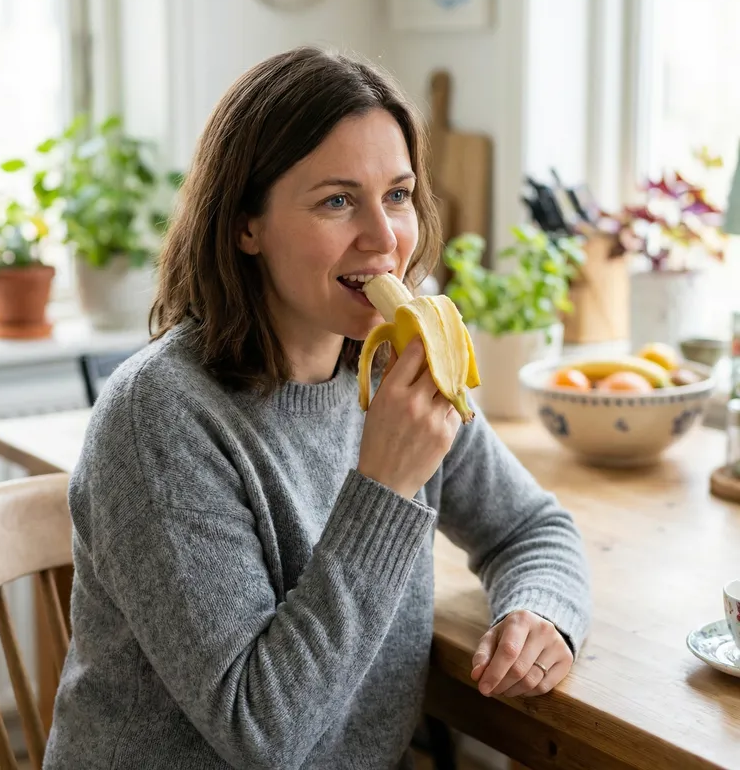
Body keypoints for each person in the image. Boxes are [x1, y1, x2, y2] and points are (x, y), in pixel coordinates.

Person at [43, 46, 591, 770]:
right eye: (337, 200)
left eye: (398, 194)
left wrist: (540, 613)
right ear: (247, 226)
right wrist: (386, 486)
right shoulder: (161, 419)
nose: (386, 238)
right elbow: (262, 735)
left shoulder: (400, 360)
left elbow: (532, 527)